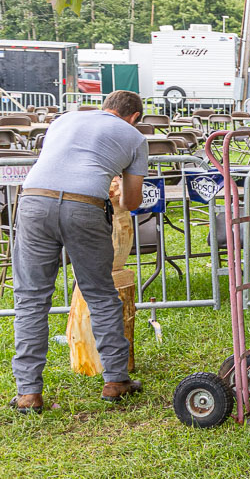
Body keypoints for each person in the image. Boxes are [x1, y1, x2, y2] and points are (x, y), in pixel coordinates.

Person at [9, 91, 149, 414]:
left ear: (105, 108)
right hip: (85, 205)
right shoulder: (134, 137)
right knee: (100, 294)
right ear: (135, 117)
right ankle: (115, 380)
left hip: (33, 199)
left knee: (30, 299)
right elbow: (130, 202)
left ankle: (28, 392)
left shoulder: (64, 119)